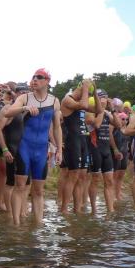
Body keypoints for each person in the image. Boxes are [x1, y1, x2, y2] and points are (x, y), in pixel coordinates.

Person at [3, 68, 63, 224]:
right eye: (34, 77)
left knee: (38, 190)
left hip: (41, 150)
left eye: (39, 77)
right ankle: (16, 225)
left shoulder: (54, 101)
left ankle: (38, 225)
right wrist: (24, 108)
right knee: (20, 186)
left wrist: (59, 150)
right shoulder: (25, 98)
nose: (35, 79)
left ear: (47, 81)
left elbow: (57, 127)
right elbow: (8, 112)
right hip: (25, 147)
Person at [0, 84, 27, 222]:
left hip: (24, 151)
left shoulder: (26, 110)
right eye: (22, 92)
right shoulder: (8, 108)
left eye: (26, 92)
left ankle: (22, 212)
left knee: (25, 183)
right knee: (11, 182)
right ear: (16, 94)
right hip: (11, 149)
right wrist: (5, 149)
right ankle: (9, 213)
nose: (24, 95)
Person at [59, 80, 92, 214]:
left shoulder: (81, 103)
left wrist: (95, 94)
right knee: (73, 175)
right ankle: (64, 209)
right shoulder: (68, 99)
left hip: (83, 141)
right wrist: (85, 88)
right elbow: (84, 104)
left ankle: (77, 210)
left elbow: (99, 110)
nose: (87, 95)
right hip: (73, 141)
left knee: (82, 177)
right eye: (87, 92)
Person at [88, 88, 121, 213]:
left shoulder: (107, 113)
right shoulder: (91, 111)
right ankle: (94, 209)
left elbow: (118, 125)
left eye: (106, 98)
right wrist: (101, 109)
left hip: (106, 150)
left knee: (109, 181)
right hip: (95, 149)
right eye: (103, 98)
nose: (105, 100)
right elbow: (96, 125)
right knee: (95, 179)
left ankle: (110, 210)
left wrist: (112, 110)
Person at [111, 111, 129, 201]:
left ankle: (118, 194)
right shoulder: (114, 128)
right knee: (115, 176)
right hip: (117, 154)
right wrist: (115, 150)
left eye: (126, 119)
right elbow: (111, 139)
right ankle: (113, 194)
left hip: (125, 154)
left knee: (121, 176)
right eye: (123, 119)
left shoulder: (127, 129)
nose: (125, 121)